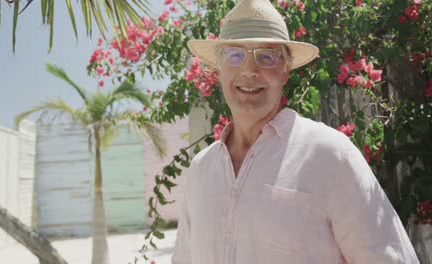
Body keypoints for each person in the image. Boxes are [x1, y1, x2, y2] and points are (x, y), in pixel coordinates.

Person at [171, 0, 419, 263]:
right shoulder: (201, 169)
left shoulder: (331, 155)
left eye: (266, 57)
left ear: (285, 71)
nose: (249, 70)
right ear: (219, 69)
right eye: (235, 55)